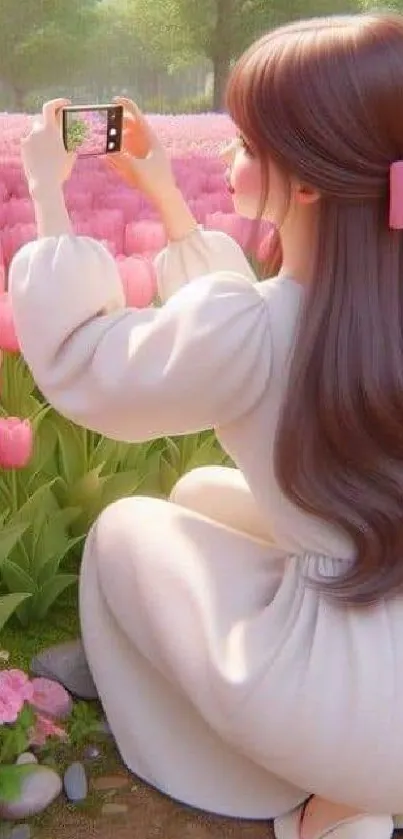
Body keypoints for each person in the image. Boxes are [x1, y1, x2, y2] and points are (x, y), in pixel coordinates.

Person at [8, 12, 403, 838]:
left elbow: (91, 364)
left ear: (302, 182)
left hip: (355, 712)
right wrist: (160, 192)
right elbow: (221, 329)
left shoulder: (255, 330)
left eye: (247, 142)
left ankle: (305, 795)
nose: (228, 155)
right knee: (200, 488)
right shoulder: (337, 322)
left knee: (123, 530)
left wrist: (48, 191)